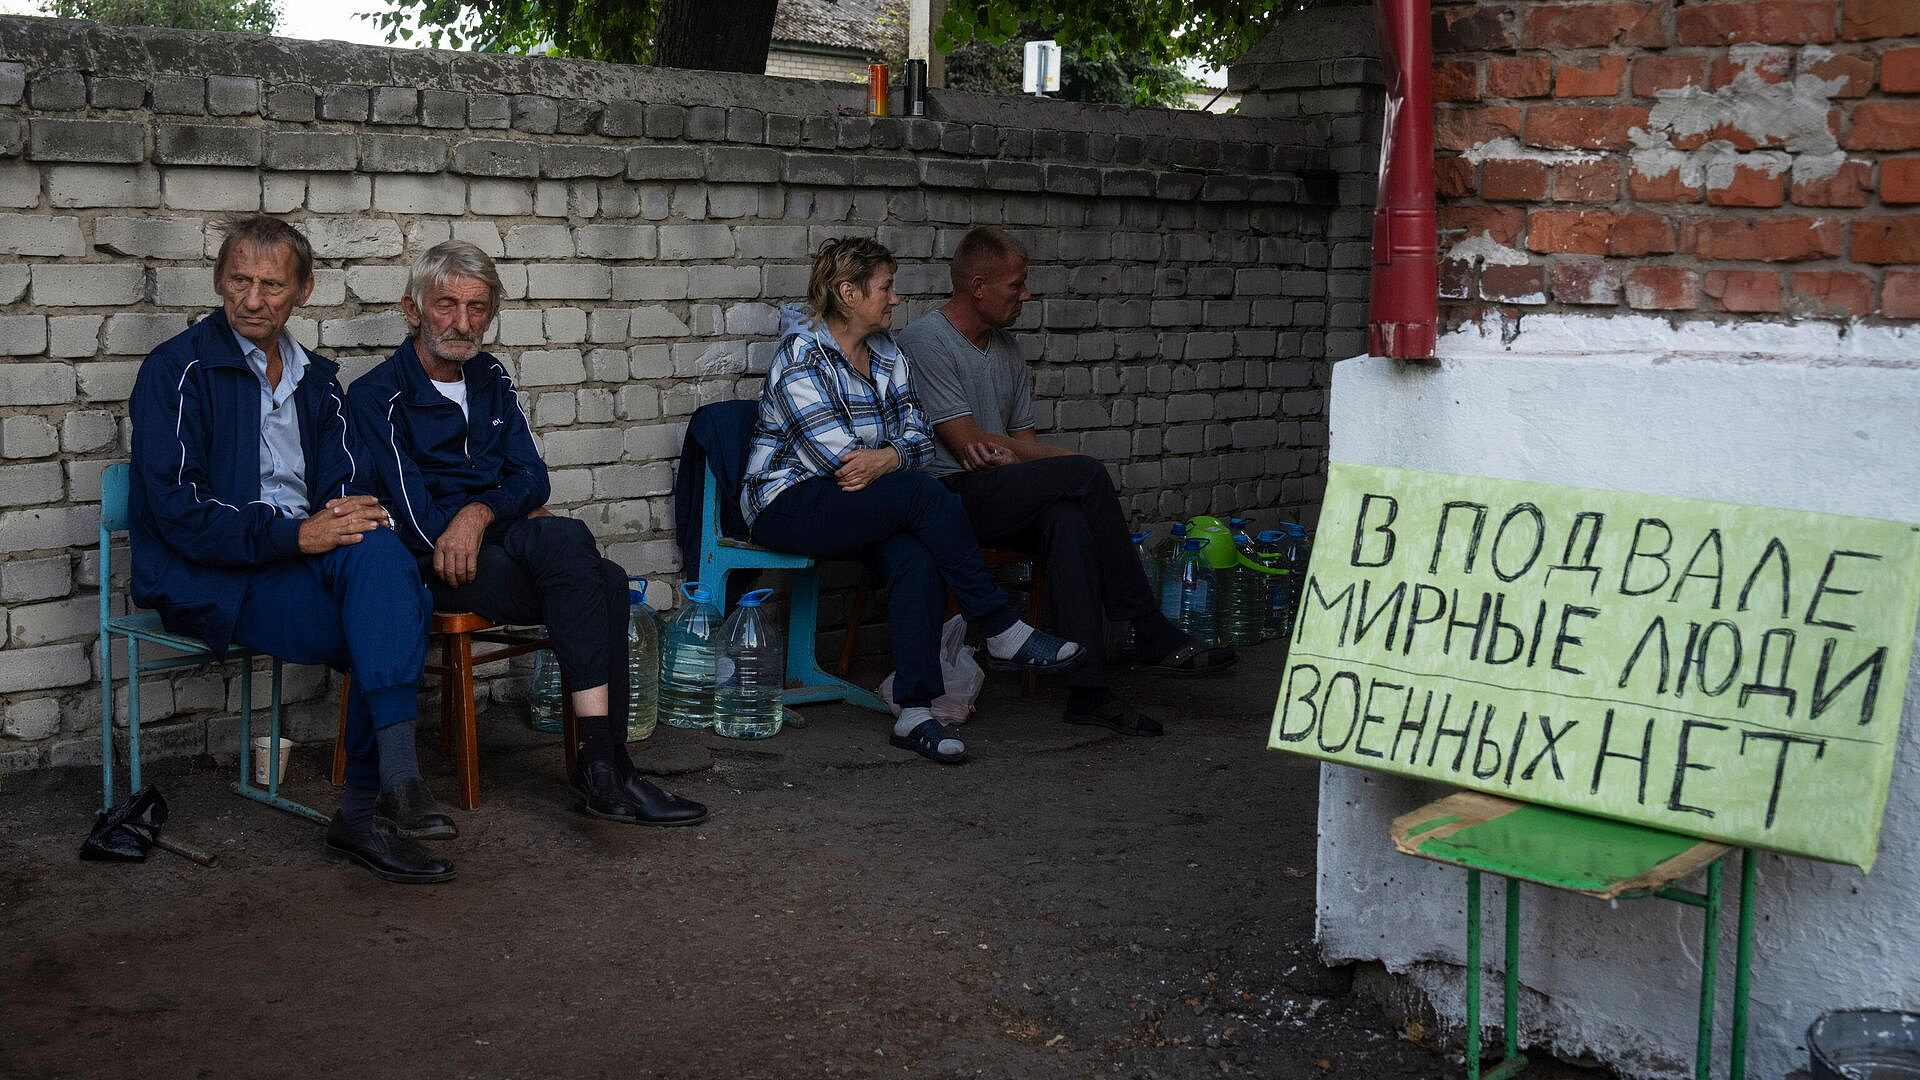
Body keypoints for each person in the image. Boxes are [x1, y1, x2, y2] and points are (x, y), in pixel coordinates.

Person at [128, 216, 454, 884]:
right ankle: (374, 804)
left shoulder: (316, 382)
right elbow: (179, 512)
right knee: (396, 611)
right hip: (211, 576)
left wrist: (342, 518)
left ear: (303, 290)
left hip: (296, 564)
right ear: (219, 280)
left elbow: (341, 488)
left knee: (378, 550)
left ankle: (389, 787)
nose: (252, 299)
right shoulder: (176, 371)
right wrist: (294, 533)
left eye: (271, 285)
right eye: (240, 281)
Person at [347, 241, 707, 827]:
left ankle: (602, 768)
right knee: (606, 582)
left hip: (496, 542)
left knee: (570, 544)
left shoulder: (489, 377)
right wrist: (484, 517)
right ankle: (608, 766)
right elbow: (416, 519)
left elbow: (532, 477)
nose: (463, 324)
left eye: (478, 308)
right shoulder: (376, 396)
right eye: (446, 306)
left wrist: (480, 512)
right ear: (412, 310)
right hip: (433, 567)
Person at [743, 237, 1087, 764]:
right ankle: (999, 625)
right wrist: (889, 459)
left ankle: (915, 713)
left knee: (915, 555)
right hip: (789, 503)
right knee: (924, 495)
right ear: (849, 293)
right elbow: (843, 461)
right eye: (886, 287)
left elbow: (919, 438)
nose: (896, 298)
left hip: (863, 499)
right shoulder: (800, 357)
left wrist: (887, 459)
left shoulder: (889, 354)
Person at [896, 227, 1237, 738]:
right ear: (979, 286)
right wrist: (1059, 457)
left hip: (1002, 490)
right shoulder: (926, 341)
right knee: (1083, 472)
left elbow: (1020, 443)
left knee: (1070, 519)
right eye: (1016, 285)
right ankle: (1145, 626)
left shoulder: (1007, 349)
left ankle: (1090, 691)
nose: (1025, 295)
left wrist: (1029, 456)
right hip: (949, 497)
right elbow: (966, 442)